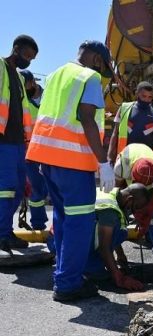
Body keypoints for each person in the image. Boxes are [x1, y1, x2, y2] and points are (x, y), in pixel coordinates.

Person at [26, 40, 116, 301]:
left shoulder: (56, 75)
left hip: (47, 159)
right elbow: (87, 118)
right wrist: (103, 162)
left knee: (63, 220)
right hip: (73, 163)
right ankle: (67, 285)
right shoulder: (88, 77)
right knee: (79, 224)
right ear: (97, 58)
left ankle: (65, 275)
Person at [0, 35, 38, 256]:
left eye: (32, 59)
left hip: (17, 143)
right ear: (16, 49)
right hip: (3, 141)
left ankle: (5, 231)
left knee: (16, 191)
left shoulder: (18, 77)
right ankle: (3, 235)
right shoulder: (1, 67)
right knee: (5, 190)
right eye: (26, 55)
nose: (28, 61)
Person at [81, 183, 148, 297]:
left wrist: (121, 255)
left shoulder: (110, 191)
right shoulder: (110, 210)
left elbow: (109, 232)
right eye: (135, 207)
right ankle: (87, 266)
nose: (133, 212)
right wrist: (119, 278)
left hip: (61, 237)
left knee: (120, 230)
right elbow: (104, 247)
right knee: (98, 273)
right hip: (69, 243)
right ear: (130, 199)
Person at [113, 143, 153, 263]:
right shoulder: (122, 165)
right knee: (117, 212)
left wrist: (146, 216)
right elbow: (116, 193)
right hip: (126, 182)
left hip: (152, 187)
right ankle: (117, 248)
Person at [107, 81, 153, 164]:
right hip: (126, 156)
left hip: (149, 159)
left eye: (150, 97)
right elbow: (115, 134)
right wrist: (110, 155)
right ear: (137, 94)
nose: (147, 99)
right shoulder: (124, 108)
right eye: (143, 96)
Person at [19, 69, 48, 230]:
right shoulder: (22, 101)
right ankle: (38, 223)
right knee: (36, 188)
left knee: (52, 186)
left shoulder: (49, 97)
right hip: (30, 152)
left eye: (25, 85)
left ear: (32, 83)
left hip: (51, 150)